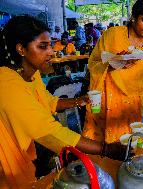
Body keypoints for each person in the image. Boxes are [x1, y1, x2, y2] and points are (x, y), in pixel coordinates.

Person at [0, 15, 127, 188]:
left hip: (27, 153)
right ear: (21, 49)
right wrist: (106, 149)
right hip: (6, 163)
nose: (51, 52)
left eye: (50, 45)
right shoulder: (6, 83)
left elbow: (48, 101)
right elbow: (49, 132)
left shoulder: (31, 73)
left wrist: (79, 101)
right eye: (42, 47)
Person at [82, 0, 143, 143]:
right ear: (133, 17)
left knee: (130, 141)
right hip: (109, 96)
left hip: (133, 100)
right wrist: (115, 63)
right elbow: (94, 63)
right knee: (106, 142)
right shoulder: (113, 35)